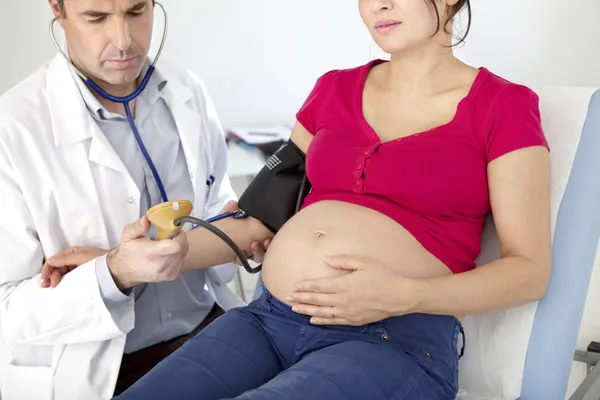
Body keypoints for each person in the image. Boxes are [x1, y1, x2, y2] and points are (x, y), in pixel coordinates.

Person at [45, 0, 552, 399]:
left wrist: (405, 295)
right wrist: (123, 263)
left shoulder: (504, 107)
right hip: (267, 321)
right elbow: (256, 218)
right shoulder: (333, 91)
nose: (378, 6)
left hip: (391, 340)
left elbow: (529, 270)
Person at [0, 1, 271, 399]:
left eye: (136, 10)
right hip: (104, 370)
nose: (124, 41)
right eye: (96, 18)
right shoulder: (13, 128)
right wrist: (114, 274)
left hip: (210, 330)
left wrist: (241, 231)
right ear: (57, 9)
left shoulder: (187, 92)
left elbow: (221, 206)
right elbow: (7, 310)